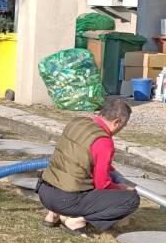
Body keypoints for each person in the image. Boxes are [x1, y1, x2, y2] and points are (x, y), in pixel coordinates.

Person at [38, 97, 140, 235]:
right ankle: (77, 221)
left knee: (67, 172)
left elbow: (77, 156)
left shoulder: (77, 122)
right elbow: (102, 185)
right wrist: (123, 188)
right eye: (123, 126)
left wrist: (110, 168)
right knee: (131, 200)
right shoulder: (103, 141)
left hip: (45, 191)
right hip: (65, 200)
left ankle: (52, 215)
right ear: (117, 122)